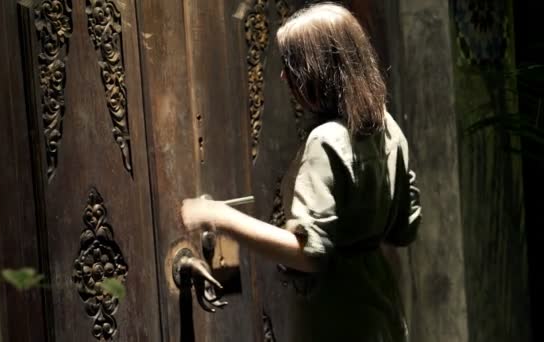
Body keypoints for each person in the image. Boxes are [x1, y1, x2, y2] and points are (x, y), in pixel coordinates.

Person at [181, 2, 422, 341]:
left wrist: (220, 217)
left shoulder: (325, 141)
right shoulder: (388, 128)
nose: (283, 76)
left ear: (320, 70)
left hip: (337, 317)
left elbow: (310, 254)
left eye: (292, 65)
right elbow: (405, 229)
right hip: (382, 311)